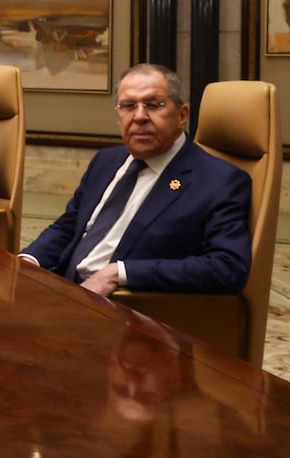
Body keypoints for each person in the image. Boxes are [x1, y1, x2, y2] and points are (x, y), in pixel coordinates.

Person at [20, 64, 250, 297]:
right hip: (64, 291)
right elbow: (70, 225)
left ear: (182, 116)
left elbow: (227, 267)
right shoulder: (106, 160)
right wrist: (29, 260)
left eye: (153, 105)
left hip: (126, 310)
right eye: (129, 106)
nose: (139, 116)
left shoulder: (219, 180)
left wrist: (119, 273)